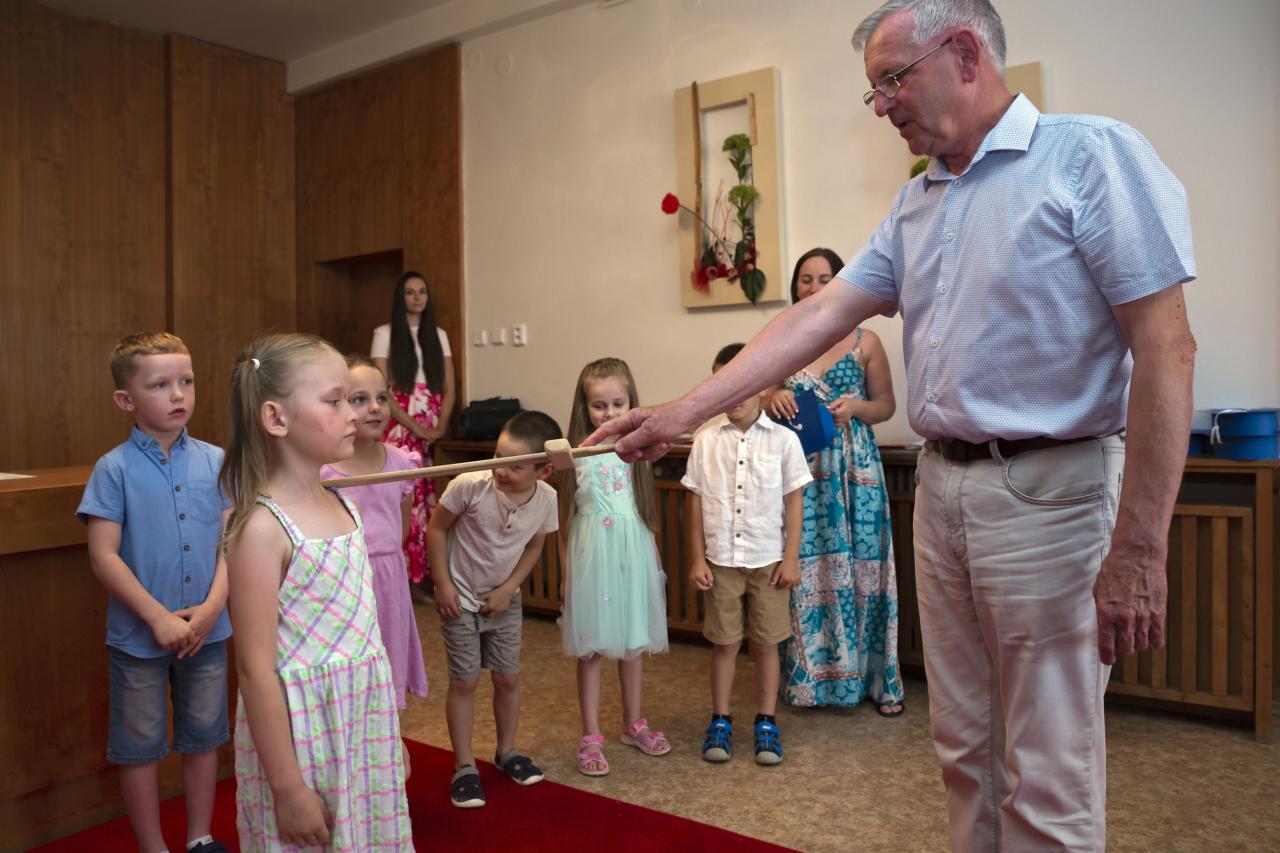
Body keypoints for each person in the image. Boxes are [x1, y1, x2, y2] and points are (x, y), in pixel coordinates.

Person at [587, 1, 1197, 848]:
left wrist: (1140, 544)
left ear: (964, 53)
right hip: (944, 492)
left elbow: (1167, 349)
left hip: (1050, 496)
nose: (880, 105)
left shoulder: (1089, 156)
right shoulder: (919, 201)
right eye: (873, 88)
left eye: (891, 80)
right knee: (964, 750)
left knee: (1048, 769)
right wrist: (682, 411)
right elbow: (817, 318)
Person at [222, 334, 412, 850]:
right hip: (304, 737)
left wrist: (386, 736)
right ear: (276, 418)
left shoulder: (343, 505)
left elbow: (365, 636)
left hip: (360, 727)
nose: (353, 413)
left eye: (352, 399)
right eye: (335, 401)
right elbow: (254, 670)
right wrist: (288, 789)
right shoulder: (262, 529)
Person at [77, 332, 231, 853]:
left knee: (205, 735)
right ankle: (153, 847)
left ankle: (199, 837)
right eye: (160, 385)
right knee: (139, 745)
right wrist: (158, 618)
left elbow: (232, 543)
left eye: (186, 381)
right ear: (126, 400)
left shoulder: (217, 460)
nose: (178, 394)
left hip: (208, 630)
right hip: (139, 637)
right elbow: (104, 556)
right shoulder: (113, 468)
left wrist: (211, 608)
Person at [763, 248, 904, 715]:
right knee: (805, 571)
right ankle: (810, 683)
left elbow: (886, 405)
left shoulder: (867, 340)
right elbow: (758, 393)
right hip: (800, 471)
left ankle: (872, 680)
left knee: (863, 570)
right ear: (794, 286)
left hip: (854, 473)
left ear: (842, 283)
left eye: (825, 278)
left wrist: (857, 407)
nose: (814, 286)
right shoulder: (784, 337)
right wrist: (772, 396)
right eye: (805, 278)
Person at [427, 410, 561, 808]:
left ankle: (507, 751)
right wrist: (443, 584)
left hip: (504, 600)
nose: (500, 470)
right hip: (461, 599)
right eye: (498, 457)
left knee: (507, 678)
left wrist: (508, 589)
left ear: (544, 470)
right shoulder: (469, 485)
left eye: (515, 466)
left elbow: (535, 546)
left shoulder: (547, 499)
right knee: (465, 682)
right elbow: (437, 528)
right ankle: (464, 765)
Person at [684, 344, 810, 766]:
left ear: (763, 386)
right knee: (724, 643)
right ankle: (720, 719)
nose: (734, 395)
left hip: (769, 561)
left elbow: (794, 502)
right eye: (724, 385)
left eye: (744, 384)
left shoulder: (785, 441)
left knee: (767, 645)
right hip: (721, 560)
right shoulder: (705, 442)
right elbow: (695, 501)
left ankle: (766, 722)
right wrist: (697, 558)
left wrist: (791, 558)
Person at [559, 358, 671, 777]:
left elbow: (644, 512)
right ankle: (591, 735)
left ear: (631, 403)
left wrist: (652, 571)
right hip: (593, 558)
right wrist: (567, 574)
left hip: (631, 553)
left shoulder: (638, 451)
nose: (609, 414)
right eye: (599, 405)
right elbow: (565, 519)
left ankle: (633, 723)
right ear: (584, 406)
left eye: (617, 404)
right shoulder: (575, 454)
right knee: (591, 648)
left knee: (632, 642)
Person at [321, 355, 430, 775]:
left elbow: (398, 529)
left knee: (388, 658)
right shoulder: (325, 470)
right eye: (359, 399)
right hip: (345, 582)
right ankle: (349, 751)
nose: (374, 408)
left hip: (388, 579)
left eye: (381, 398)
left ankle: (388, 743)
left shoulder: (401, 462)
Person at [372, 271, 455, 593]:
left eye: (422, 291)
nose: (417, 297)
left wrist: (439, 427)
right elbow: (384, 392)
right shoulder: (384, 333)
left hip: (432, 427)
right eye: (410, 292)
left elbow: (448, 388)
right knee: (404, 497)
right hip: (401, 425)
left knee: (431, 500)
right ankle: (403, 576)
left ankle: (428, 577)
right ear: (400, 297)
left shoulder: (439, 335)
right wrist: (416, 427)